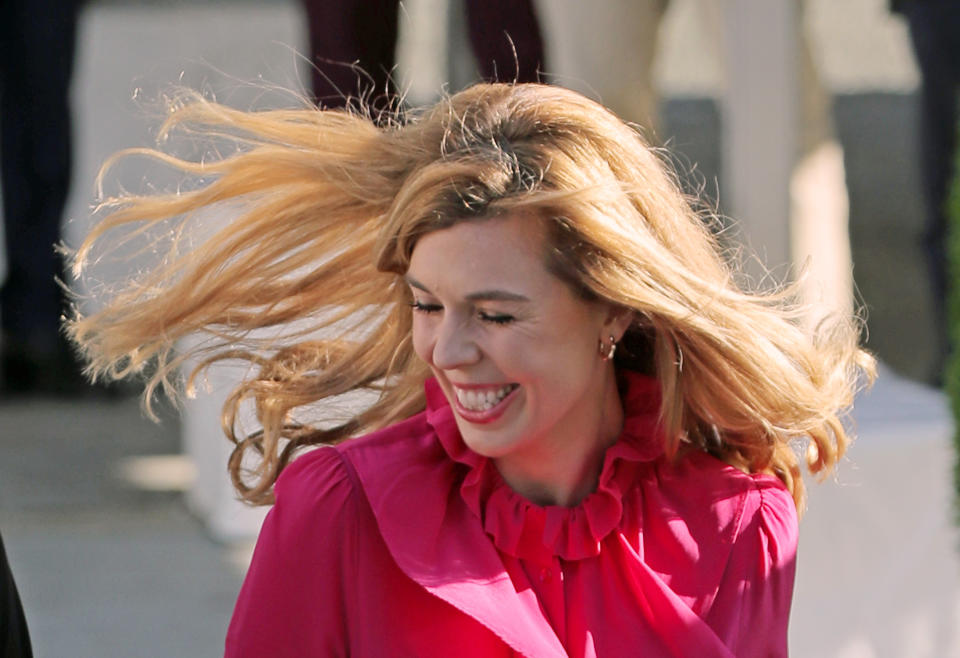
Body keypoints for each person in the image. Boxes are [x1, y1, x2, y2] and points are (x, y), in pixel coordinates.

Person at [68, 83, 873, 656]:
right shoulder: (341, 512)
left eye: (494, 316)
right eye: (427, 306)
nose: (448, 353)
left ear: (616, 311)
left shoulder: (741, 529)